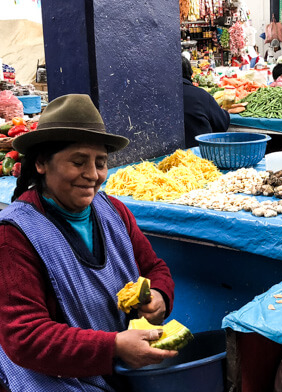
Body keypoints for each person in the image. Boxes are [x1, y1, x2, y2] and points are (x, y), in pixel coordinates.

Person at [0, 94, 177, 391]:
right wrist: (113, 346)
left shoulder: (115, 212)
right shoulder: (15, 236)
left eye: (101, 163)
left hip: (115, 367)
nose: (93, 176)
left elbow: (153, 267)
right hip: (50, 376)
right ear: (42, 162)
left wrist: (159, 296)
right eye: (78, 162)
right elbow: (26, 336)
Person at [182, 56, 230, 148]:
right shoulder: (201, 95)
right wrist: (225, 112)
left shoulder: (159, 96)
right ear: (190, 73)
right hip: (199, 156)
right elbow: (222, 124)